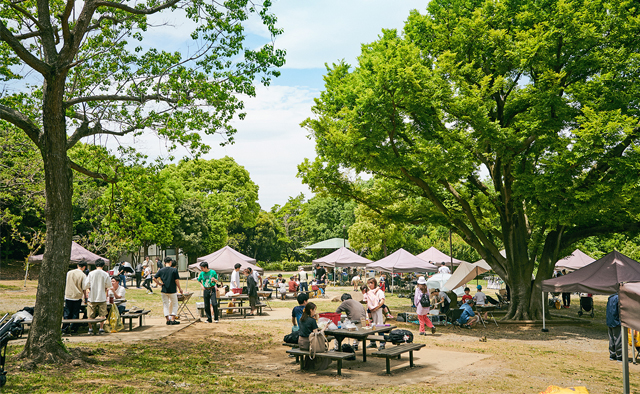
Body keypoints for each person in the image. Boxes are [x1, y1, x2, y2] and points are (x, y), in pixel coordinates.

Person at [297, 302, 330, 371]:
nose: (315, 312)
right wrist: (325, 327)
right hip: (308, 344)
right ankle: (319, 365)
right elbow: (316, 334)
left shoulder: (301, 319)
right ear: (311, 310)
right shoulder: (312, 321)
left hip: (301, 342)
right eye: (314, 310)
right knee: (324, 347)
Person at [83, 259, 110, 334]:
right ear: (103, 265)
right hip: (102, 297)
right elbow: (109, 285)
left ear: (95, 265)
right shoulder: (105, 274)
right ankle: (101, 328)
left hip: (92, 297)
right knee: (102, 314)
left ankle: (90, 329)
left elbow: (86, 285)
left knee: (90, 314)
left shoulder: (91, 273)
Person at [154, 257, 183, 325]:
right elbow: (176, 280)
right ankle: (172, 319)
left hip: (164, 290)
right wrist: (180, 288)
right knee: (175, 304)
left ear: (164, 263)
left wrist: (159, 284)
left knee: (165, 305)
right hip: (172, 290)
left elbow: (154, 278)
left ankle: (167, 320)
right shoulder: (174, 270)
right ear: (170, 262)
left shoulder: (161, 270)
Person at [63, 261, 88, 334]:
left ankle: (65, 328)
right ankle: (73, 328)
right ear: (84, 267)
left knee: (67, 313)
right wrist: (85, 297)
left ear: (77, 265)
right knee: (75, 313)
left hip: (68, 295)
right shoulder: (83, 275)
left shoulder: (69, 272)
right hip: (77, 296)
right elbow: (84, 287)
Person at [363, 278, 387, 350]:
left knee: (379, 326)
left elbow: (382, 301)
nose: (370, 285)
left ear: (374, 283)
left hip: (378, 311)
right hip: (371, 311)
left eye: (371, 283)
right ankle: (373, 342)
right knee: (371, 326)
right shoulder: (369, 292)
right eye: (369, 283)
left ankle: (382, 343)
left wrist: (376, 307)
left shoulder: (379, 292)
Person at [606, 292, 622, 361]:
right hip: (616, 321)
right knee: (618, 339)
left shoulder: (610, 297)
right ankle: (620, 356)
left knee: (611, 339)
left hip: (609, 320)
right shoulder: (619, 298)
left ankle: (612, 354)